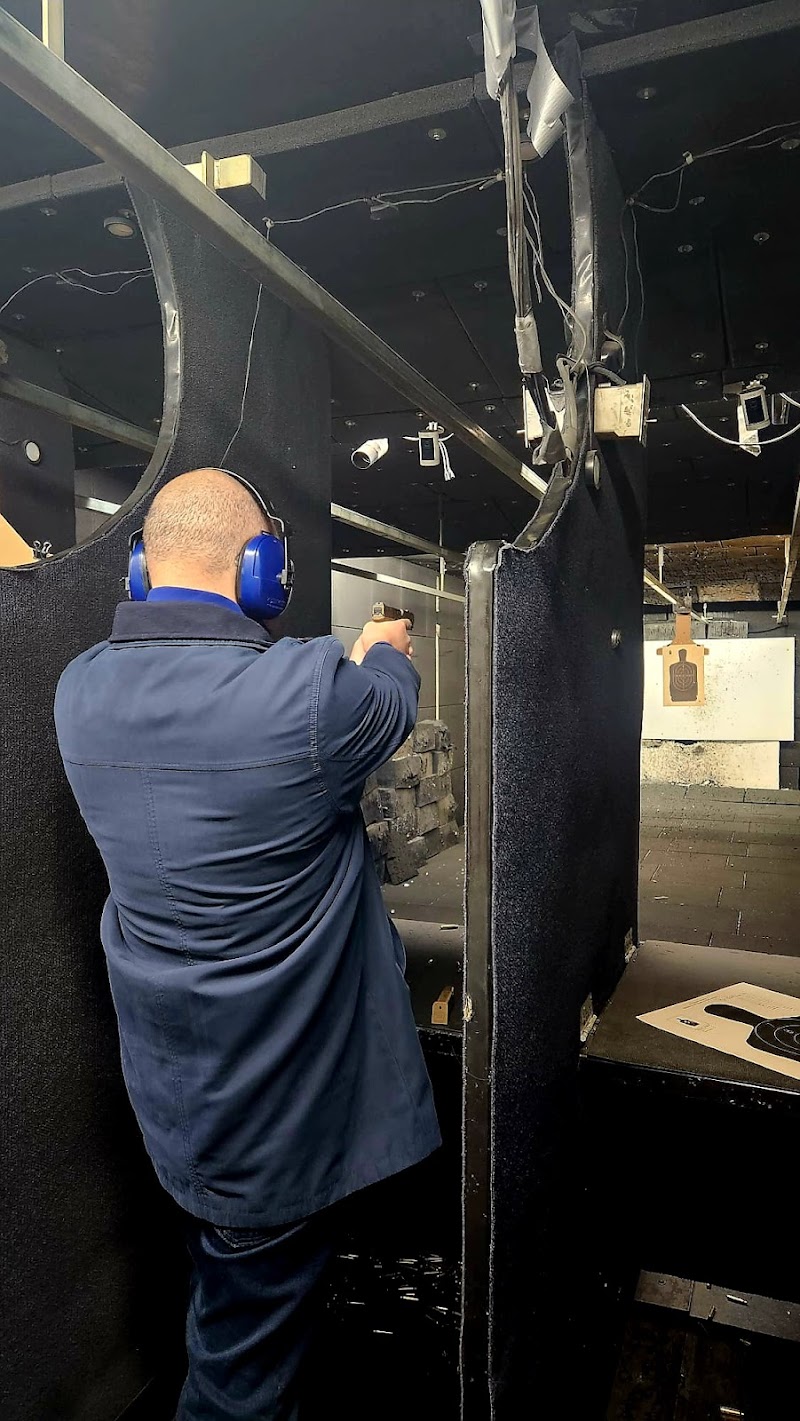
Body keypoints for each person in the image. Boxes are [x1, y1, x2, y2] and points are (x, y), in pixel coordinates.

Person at [54, 468, 440, 1420]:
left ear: (140, 569)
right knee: (239, 1377)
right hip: (278, 1115)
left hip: (174, 1094)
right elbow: (387, 696)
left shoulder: (80, 690)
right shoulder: (313, 693)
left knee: (221, 1287)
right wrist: (381, 646)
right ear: (263, 571)